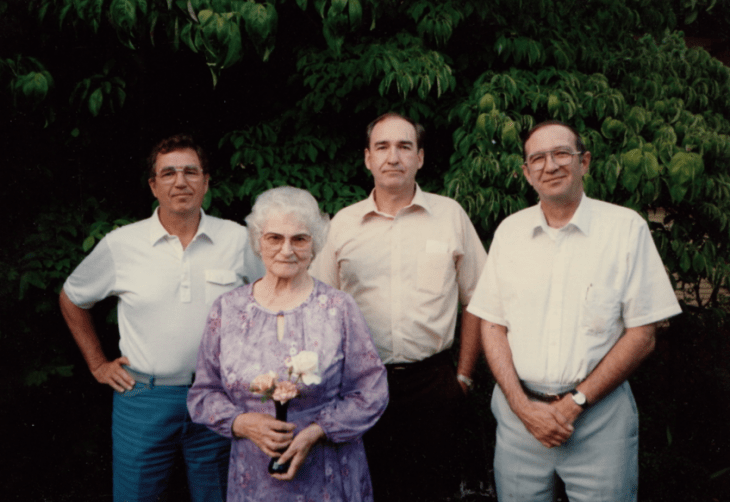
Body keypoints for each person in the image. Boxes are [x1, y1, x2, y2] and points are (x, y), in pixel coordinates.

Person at [467, 120, 682, 501]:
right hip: (520, 422)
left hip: (599, 422)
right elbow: (492, 325)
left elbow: (643, 335)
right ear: (526, 173)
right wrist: (521, 406)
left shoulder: (625, 229)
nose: (550, 165)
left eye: (561, 153)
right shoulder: (509, 232)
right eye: (537, 158)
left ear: (584, 162)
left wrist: (575, 403)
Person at [59, 134, 265, 502]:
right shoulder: (122, 244)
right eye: (168, 173)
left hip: (218, 396)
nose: (180, 182)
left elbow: (270, 301)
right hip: (142, 398)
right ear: (154, 185)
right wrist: (97, 364)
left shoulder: (239, 240)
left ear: (206, 181)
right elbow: (72, 298)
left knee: (219, 496)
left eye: (190, 172)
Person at [309, 112, 488, 501]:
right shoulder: (343, 224)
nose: (394, 157)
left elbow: (479, 298)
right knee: (366, 489)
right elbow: (318, 307)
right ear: (368, 158)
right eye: (383, 147)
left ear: (420, 158)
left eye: (405, 146)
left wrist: (464, 378)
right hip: (358, 384)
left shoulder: (450, 216)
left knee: (432, 490)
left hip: (433, 384)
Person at [187, 186, 389, 502]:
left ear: (314, 244)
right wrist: (241, 422)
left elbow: (371, 391)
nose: (286, 249)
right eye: (274, 238)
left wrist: (318, 431)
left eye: (299, 239)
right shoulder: (227, 309)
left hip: (327, 473)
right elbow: (203, 394)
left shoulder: (338, 308)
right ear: (258, 241)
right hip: (253, 478)